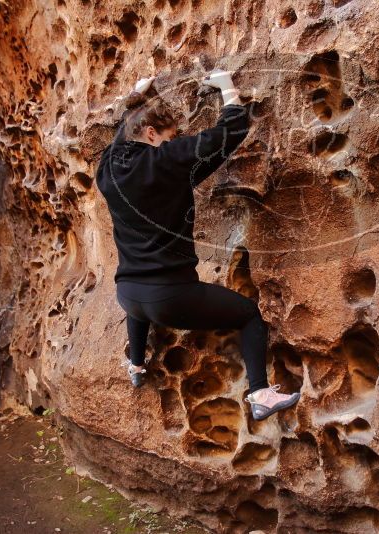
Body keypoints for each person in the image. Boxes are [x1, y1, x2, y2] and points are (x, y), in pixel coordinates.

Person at [94, 68, 300, 421]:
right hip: (170, 296)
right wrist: (227, 89)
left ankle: (135, 365)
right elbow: (229, 132)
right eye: (171, 136)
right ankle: (260, 393)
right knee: (249, 314)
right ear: (151, 133)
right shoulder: (167, 160)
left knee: (138, 305)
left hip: (128, 292)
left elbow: (122, 137)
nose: (174, 142)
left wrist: (137, 99)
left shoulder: (107, 169)